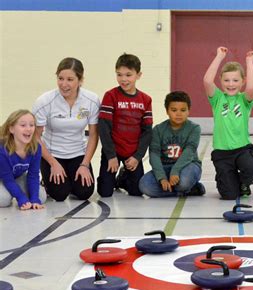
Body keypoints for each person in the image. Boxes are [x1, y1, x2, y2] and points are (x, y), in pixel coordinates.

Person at [33, 58, 99, 201]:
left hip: (78, 153)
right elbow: (36, 137)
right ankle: (45, 180)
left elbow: (93, 135)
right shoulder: (45, 101)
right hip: (52, 153)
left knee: (84, 192)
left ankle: (70, 177)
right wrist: (53, 163)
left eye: (70, 79)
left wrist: (85, 164)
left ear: (80, 80)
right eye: (60, 78)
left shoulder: (92, 100)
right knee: (59, 194)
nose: (64, 84)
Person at [203, 47, 253, 200]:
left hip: (242, 149)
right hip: (222, 153)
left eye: (235, 80)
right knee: (229, 195)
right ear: (221, 80)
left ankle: (244, 182)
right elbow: (207, 81)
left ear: (242, 81)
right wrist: (219, 57)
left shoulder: (244, 100)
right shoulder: (217, 98)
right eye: (226, 80)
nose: (231, 84)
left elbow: (252, 87)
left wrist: (249, 62)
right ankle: (228, 178)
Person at [98, 53, 153, 197]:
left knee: (136, 191)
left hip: (132, 152)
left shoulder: (146, 99)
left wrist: (138, 156)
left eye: (128, 75)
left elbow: (147, 131)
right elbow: (103, 128)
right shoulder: (110, 96)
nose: (123, 79)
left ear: (138, 75)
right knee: (105, 192)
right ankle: (110, 178)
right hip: (113, 151)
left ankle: (123, 177)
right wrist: (110, 156)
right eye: (119, 74)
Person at [139, 91, 205, 197]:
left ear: (188, 111)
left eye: (183, 110)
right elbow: (154, 154)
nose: (178, 113)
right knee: (144, 186)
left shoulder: (194, 128)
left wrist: (175, 171)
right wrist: (162, 178)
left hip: (188, 166)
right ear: (167, 111)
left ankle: (183, 187)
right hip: (166, 167)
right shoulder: (158, 130)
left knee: (184, 181)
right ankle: (188, 190)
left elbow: (189, 151)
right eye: (174, 110)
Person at [0, 110, 46, 210]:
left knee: (41, 197)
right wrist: (21, 198)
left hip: (17, 176)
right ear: (12, 129)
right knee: (4, 200)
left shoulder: (36, 148)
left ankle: (15, 192)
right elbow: (7, 179)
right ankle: (12, 193)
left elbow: (33, 175)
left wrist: (34, 199)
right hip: (3, 178)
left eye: (31, 125)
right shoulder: (2, 150)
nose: (28, 129)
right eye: (23, 125)